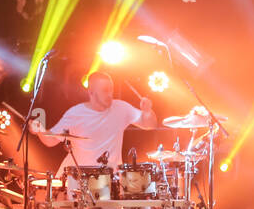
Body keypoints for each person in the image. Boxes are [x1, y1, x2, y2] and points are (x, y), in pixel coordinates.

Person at [29, 71, 158, 178]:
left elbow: (150, 125)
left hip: (110, 180)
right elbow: (50, 141)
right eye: (105, 91)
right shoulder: (76, 113)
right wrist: (39, 129)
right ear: (91, 93)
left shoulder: (121, 108)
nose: (109, 95)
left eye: (111, 90)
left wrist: (147, 112)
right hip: (78, 180)